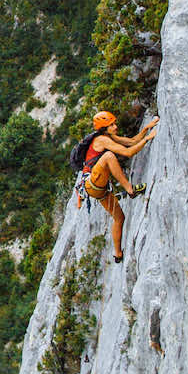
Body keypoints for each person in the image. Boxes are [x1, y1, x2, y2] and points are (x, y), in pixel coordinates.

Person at [75, 110, 157, 263]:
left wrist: (147, 128)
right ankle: (130, 189)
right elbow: (128, 153)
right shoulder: (102, 140)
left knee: (119, 218)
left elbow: (131, 142)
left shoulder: (109, 137)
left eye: (114, 123)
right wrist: (148, 139)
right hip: (93, 183)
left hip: (98, 188)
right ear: (104, 128)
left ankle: (117, 254)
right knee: (108, 156)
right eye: (111, 125)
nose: (115, 126)